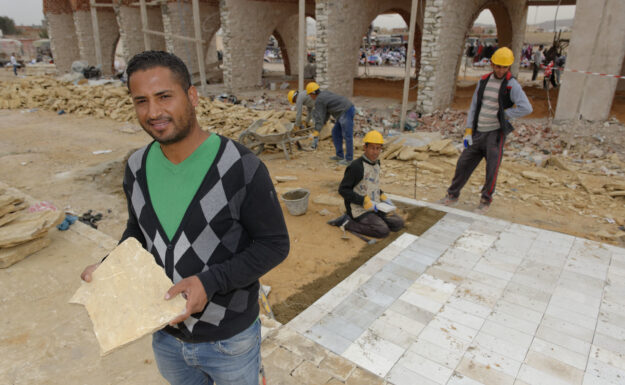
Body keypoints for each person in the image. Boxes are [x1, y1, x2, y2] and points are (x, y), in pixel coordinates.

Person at [79, 51, 289, 385]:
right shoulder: (136, 168)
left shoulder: (240, 166)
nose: (153, 112)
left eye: (164, 97)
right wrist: (110, 266)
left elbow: (274, 244)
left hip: (229, 339)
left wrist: (210, 282)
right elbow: (138, 232)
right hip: (165, 336)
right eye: (141, 101)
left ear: (191, 96)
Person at [438, 47, 532, 213]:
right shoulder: (483, 81)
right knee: (463, 164)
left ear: (509, 67)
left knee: (492, 169)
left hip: (495, 135)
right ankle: (452, 195)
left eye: (504, 67)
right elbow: (474, 106)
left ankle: (485, 200)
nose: (500, 70)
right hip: (478, 132)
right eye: (497, 66)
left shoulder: (512, 85)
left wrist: (506, 114)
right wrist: (468, 131)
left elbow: (526, 107)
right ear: (492, 64)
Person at [336, 130, 404, 238]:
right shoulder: (356, 166)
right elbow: (343, 190)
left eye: (378, 148)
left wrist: (382, 196)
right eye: (372, 148)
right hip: (358, 208)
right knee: (383, 231)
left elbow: (372, 183)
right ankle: (348, 222)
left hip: (375, 205)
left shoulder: (377, 163)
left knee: (398, 223)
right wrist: (363, 201)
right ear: (365, 148)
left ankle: (376, 219)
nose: (375, 152)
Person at [307, 82, 355, 166]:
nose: (310, 97)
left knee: (347, 136)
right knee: (335, 133)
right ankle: (339, 156)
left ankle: (349, 159)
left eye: (310, 95)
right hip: (343, 111)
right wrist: (324, 122)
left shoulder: (319, 100)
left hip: (345, 111)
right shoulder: (324, 93)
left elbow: (319, 116)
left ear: (313, 93)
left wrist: (317, 131)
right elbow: (327, 112)